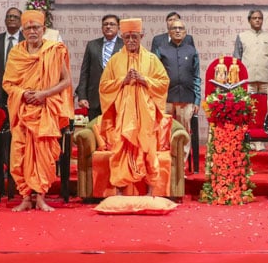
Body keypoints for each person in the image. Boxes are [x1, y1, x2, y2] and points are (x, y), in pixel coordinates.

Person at [4, 10, 73, 212]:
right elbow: (8, 83)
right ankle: (25, 197)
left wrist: (44, 94)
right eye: (28, 28)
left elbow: (66, 81)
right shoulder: (16, 53)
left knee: (44, 155)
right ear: (22, 30)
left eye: (36, 27)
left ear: (43, 29)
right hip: (22, 111)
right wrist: (23, 93)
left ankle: (41, 197)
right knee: (20, 155)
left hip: (45, 110)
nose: (32, 31)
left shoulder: (54, 51)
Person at [95, 18, 171, 196]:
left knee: (148, 151)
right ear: (122, 37)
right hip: (123, 117)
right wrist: (123, 81)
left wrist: (144, 80)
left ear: (141, 36)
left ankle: (151, 192)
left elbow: (164, 83)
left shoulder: (152, 60)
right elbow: (104, 86)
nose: (130, 41)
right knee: (121, 151)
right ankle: (120, 192)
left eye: (134, 37)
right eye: (127, 37)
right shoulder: (115, 61)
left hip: (146, 117)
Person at [157, 17, 201, 132]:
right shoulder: (161, 50)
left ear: (185, 32)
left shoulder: (192, 51)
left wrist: (197, 101)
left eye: (180, 28)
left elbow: (196, 77)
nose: (177, 31)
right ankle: (167, 151)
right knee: (165, 132)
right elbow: (156, 76)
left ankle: (184, 151)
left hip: (186, 99)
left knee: (184, 132)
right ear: (169, 32)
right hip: (166, 99)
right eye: (174, 28)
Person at [75, 14, 120, 119]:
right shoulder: (92, 45)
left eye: (112, 24)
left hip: (116, 99)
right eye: (105, 24)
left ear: (118, 27)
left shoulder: (124, 45)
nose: (108, 26)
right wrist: (82, 96)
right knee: (94, 132)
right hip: (95, 99)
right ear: (102, 28)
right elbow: (84, 72)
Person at [0, 8, 23, 111]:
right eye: (8, 16)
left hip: (19, 89)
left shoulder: (26, 41)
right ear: (5, 21)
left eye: (15, 17)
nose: (11, 19)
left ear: (21, 21)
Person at [233, 9, 268, 94]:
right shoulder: (242, 36)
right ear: (249, 20)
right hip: (248, 80)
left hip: (266, 80)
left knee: (266, 106)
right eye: (254, 18)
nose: (257, 20)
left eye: (260, 18)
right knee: (248, 106)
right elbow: (237, 59)